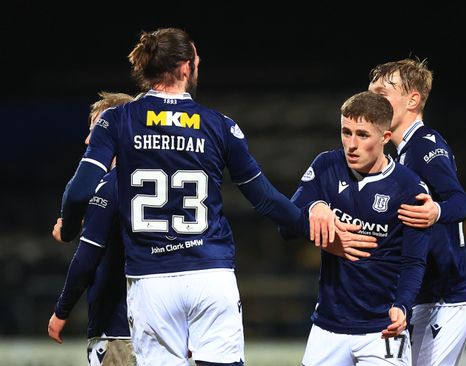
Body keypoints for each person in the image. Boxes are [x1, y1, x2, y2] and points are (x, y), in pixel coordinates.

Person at [54, 28, 372, 365]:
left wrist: (70, 227)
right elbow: (263, 197)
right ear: (185, 68)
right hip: (210, 275)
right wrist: (313, 231)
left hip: (151, 282)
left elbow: (78, 193)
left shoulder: (117, 120)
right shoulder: (219, 125)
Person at [281, 91, 431, 365]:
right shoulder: (326, 165)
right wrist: (315, 208)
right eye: (346, 132)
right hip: (327, 327)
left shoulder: (408, 188)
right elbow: (287, 227)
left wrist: (403, 306)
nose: (351, 144)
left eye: (362, 135)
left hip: (382, 329)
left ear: (385, 138)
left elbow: (414, 261)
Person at [368, 58, 466, 366]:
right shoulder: (397, 155)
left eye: (383, 93)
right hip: (422, 298)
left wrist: (437, 211)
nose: (373, 101)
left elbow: (461, 202)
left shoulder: (424, 145)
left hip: (447, 299)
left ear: (413, 99)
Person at [48, 92, 136, 366]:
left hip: (117, 330)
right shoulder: (158, 185)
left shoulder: (111, 186)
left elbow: (86, 260)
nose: (89, 140)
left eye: (96, 131)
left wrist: (61, 311)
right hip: (163, 325)